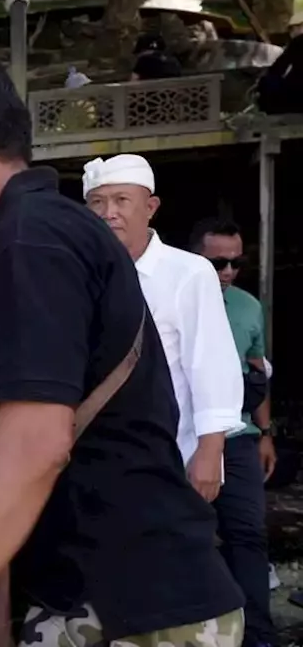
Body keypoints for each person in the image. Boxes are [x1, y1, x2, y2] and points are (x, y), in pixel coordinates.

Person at [0, 45, 243, 647]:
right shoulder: (45, 232)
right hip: (115, 596)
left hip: (122, 611)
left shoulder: (25, 246)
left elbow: (33, 443)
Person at [82, 154, 243, 499]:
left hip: (170, 457)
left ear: (151, 206)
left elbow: (211, 364)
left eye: (121, 200)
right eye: (97, 202)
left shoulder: (189, 272)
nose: (109, 212)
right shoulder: (77, 274)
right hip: (94, 457)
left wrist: (210, 452)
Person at [192, 216, 278, 647]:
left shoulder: (247, 307)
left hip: (239, 436)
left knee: (248, 533)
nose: (227, 272)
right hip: (186, 438)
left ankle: (258, 634)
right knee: (190, 536)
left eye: (235, 263)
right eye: (217, 263)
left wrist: (266, 432)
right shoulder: (170, 299)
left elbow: (258, 373)